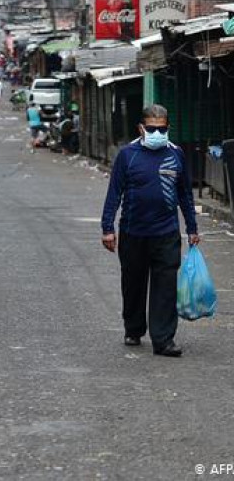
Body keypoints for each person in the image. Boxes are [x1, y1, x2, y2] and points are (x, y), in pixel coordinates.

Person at [101, 104, 200, 358]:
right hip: (133, 233)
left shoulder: (176, 154)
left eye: (163, 128)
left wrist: (192, 227)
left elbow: (185, 195)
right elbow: (115, 192)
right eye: (153, 128)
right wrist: (107, 227)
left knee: (165, 287)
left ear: (169, 127)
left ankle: (164, 340)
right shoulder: (128, 155)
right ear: (141, 128)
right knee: (133, 284)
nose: (158, 132)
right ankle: (133, 329)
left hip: (166, 234)